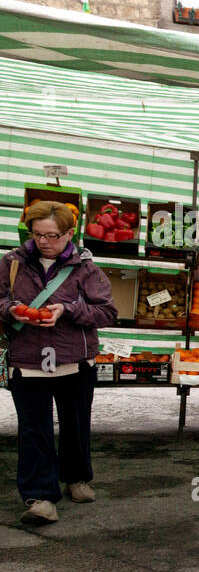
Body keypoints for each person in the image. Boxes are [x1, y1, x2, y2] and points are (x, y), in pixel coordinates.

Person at [0, 201, 117, 524]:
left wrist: (68, 310)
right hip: (27, 361)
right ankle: (40, 497)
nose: (44, 241)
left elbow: (107, 312)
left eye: (52, 235)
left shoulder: (85, 269)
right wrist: (11, 310)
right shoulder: (12, 263)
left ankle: (76, 477)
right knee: (33, 431)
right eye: (37, 234)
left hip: (74, 361)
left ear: (69, 233)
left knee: (75, 425)